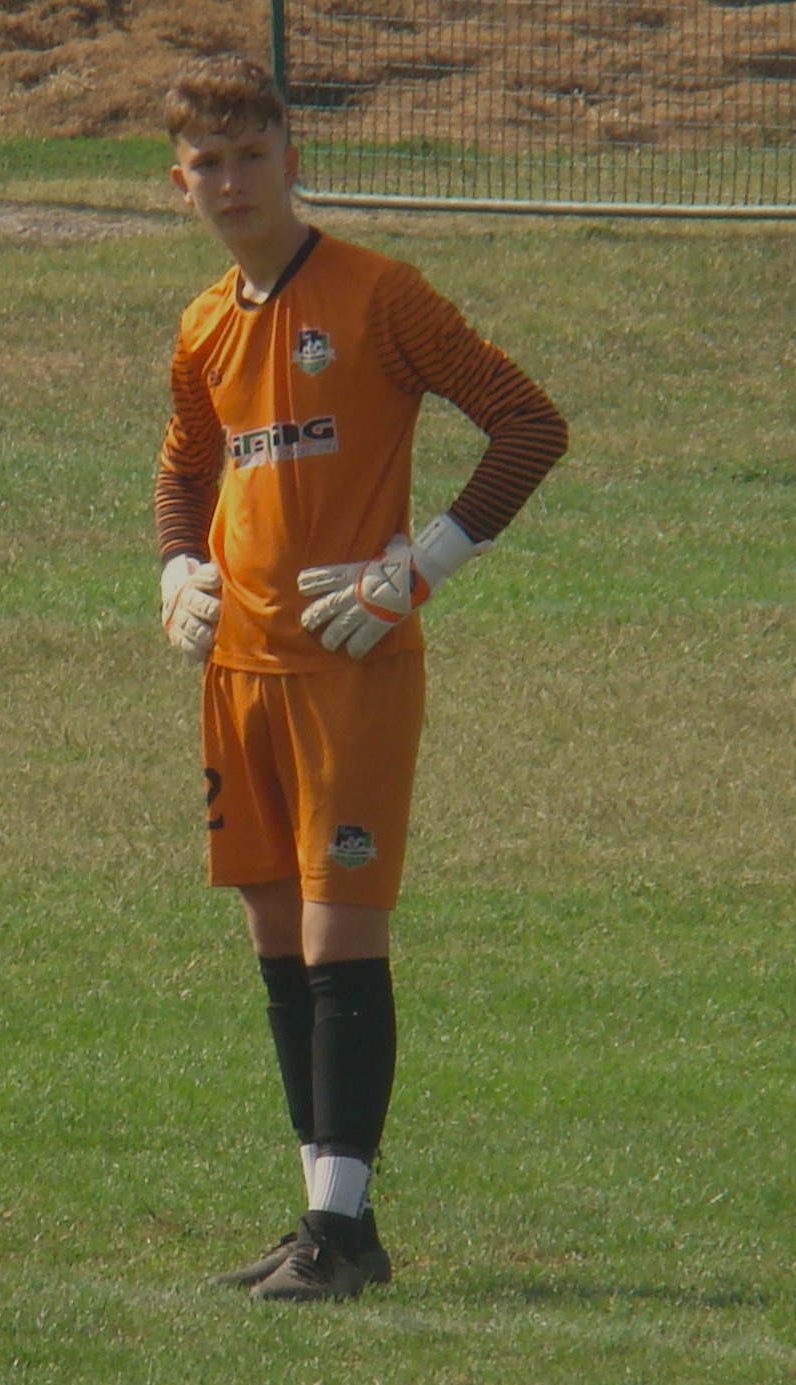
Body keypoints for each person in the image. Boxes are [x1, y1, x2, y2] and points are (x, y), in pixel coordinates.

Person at [155, 54, 569, 1302]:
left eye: (250, 155)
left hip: (351, 667)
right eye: (207, 163)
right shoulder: (202, 324)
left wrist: (421, 564)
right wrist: (174, 566)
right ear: (179, 181)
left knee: (340, 932)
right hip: (238, 674)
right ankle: (324, 1221)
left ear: (293, 159)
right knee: (277, 937)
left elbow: (528, 423)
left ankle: (339, 1230)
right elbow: (185, 464)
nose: (232, 182)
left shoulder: (379, 295)